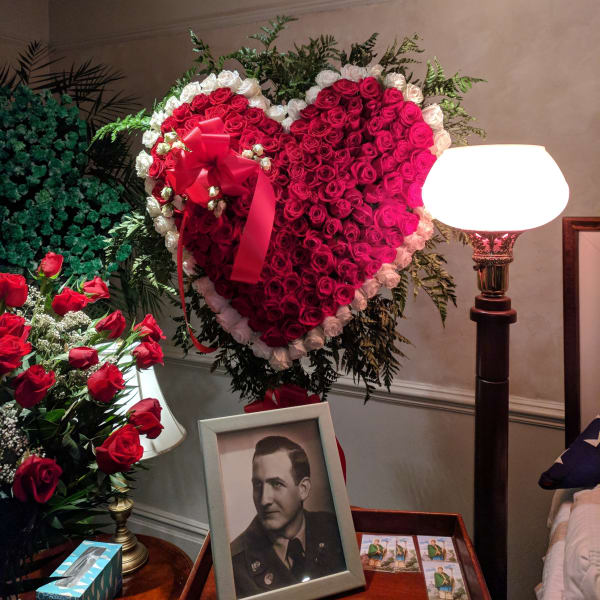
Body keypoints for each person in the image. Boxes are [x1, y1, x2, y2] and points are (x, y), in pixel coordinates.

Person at [230, 436, 345, 598]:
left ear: (303, 489)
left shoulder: (334, 528)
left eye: (276, 484)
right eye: (258, 485)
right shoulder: (234, 564)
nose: (264, 500)